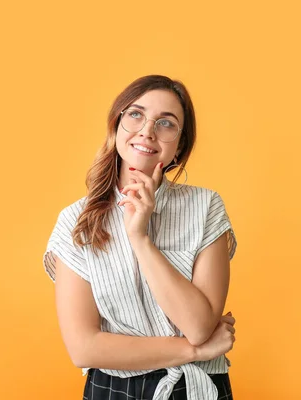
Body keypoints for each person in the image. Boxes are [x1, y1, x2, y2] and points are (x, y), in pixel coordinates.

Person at [43, 75, 238, 400]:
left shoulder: (205, 207)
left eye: (166, 122)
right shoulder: (74, 222)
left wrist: (140, 239)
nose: (147, 130)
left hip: (196, 389)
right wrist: (193, 351)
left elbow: (200, 327)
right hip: (115, 390)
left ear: (180, 144)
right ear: (116, 124)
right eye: (136, 114)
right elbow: (84, 348)